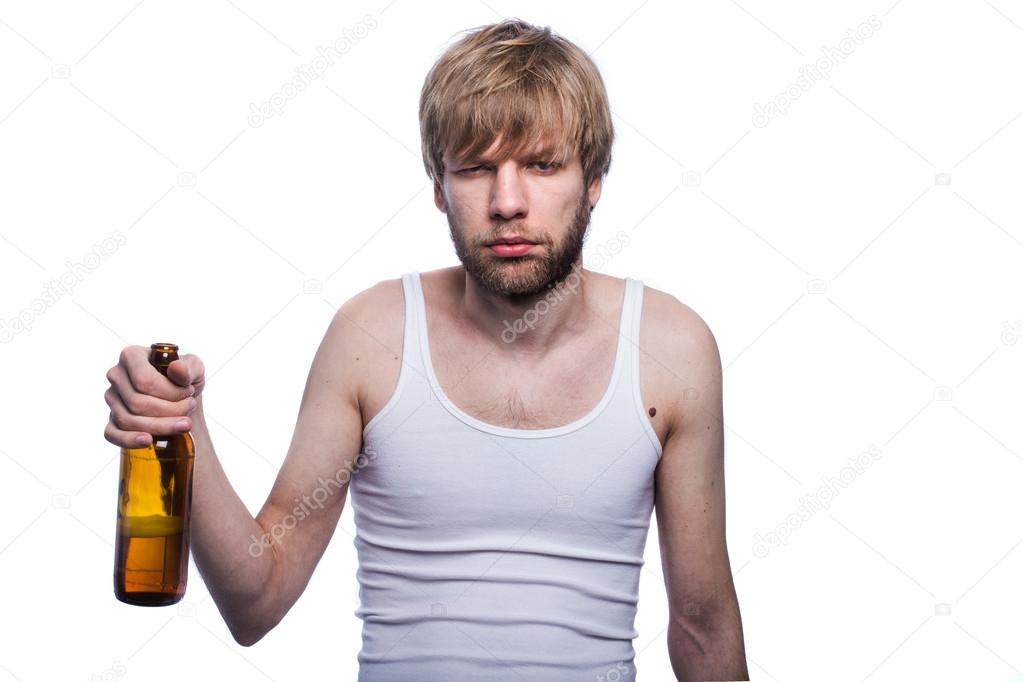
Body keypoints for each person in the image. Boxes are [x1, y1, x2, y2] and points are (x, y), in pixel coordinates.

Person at [103, 18, 749, 681]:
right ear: (439, 186)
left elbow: (702, 626)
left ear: (592, 180)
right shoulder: (372, 336)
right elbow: (257, 601)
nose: (506, 202)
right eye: (474, 168)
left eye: (542, 164)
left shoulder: (671, 350)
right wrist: (181, 426)